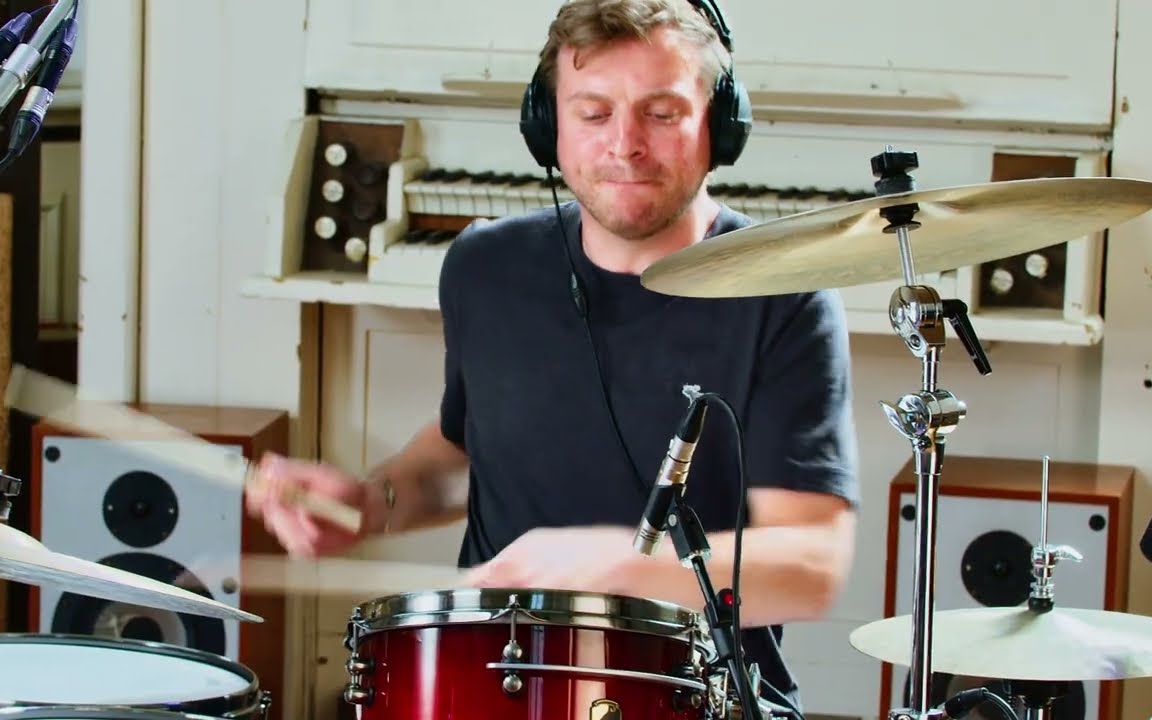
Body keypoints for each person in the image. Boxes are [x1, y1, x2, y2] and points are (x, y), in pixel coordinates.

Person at [246, 0, 859, 711]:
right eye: (593, 113)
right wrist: (371, 501)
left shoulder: (784, 296)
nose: (625, 145)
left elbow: (811, 567)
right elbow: (461, 458)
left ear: (719, 124)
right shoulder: (485, 267)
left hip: (693, 694)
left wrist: (611, 567)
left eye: (661, 113)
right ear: (547, 125)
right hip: (491, 686)